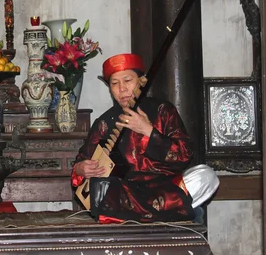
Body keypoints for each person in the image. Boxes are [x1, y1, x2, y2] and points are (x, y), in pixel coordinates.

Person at [72, 53, 219, 223]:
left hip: (167, 188)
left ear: (141, 82)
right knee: (102, 189)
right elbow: (81, 163)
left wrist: (149, 131)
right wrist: (81, 168)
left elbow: (184, 156)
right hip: (127, 193)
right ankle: (172, 211)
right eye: (114, 83)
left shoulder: (163, 110)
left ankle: (141, 215)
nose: (122, 89)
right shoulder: (105, 122)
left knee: (206, 175)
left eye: (128, 81)